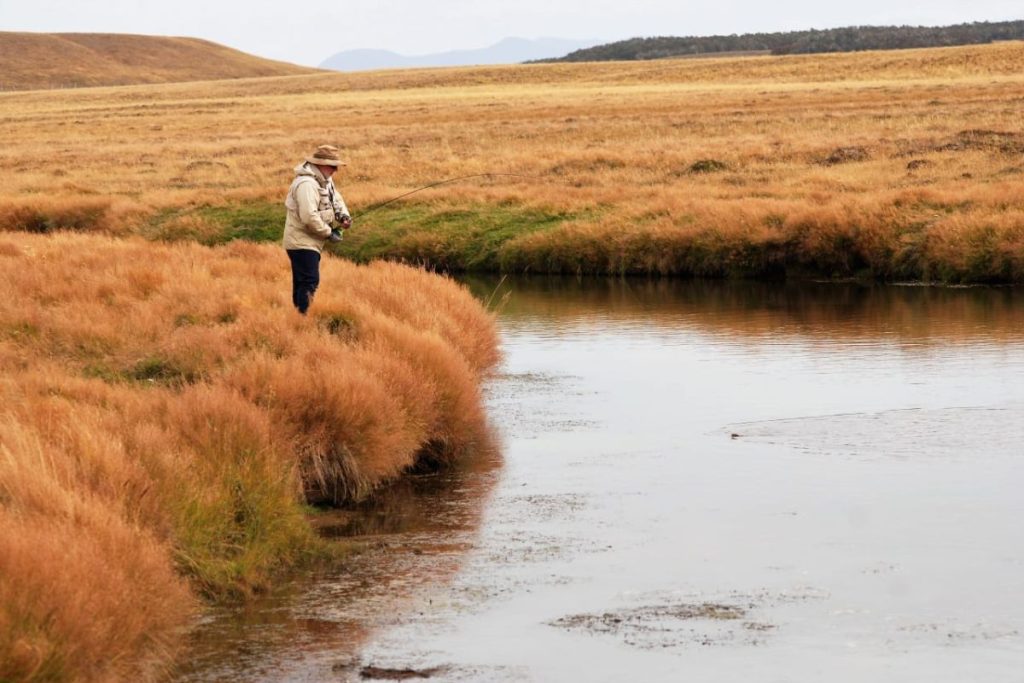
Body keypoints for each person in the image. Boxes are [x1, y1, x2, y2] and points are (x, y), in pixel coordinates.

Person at [282, 144, 353, 314]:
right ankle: (303, 317)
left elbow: (336, 199)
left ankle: (298, 317)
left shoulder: (324, 179)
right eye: (333, 166)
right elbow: (309, 217)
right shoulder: (307, 184)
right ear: (321, 163)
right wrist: (330, 234)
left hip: (309, 241)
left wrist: (343, 216)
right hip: (301, 241)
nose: (336, 170)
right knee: (309, 280)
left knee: (303, 281)